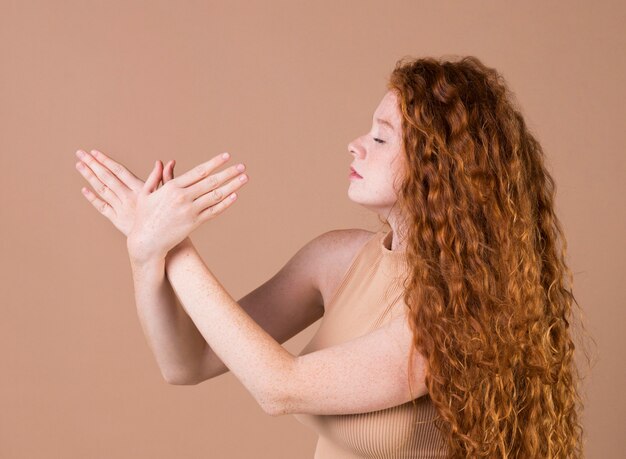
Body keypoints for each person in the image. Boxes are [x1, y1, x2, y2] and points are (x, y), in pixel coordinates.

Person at [74, 55, 589, 458]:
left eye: (381, 137)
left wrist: (173, 243)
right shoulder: (334, 259)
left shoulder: (461, 314)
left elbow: (280, 386)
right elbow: (186, 362)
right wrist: (146, 257)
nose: (355, 145)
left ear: (440, 169)